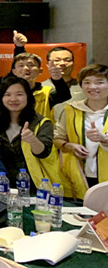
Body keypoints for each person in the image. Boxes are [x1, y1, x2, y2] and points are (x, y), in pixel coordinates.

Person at [0, 77, 57, 192]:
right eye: (7, 94)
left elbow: (43, 152)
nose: (13, 99)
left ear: (28, 97)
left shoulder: (42, 123)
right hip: (3, 187)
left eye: (19, 94)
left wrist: (32, 140)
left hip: (36, 187)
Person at [54, 64, 108, 199]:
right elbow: (57, 138)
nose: (92, 87)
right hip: (77, 175)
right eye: (87, 82)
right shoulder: (71, 110)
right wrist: (69, 146)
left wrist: (104, 140)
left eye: (99, 82)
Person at [10, 52, 71, 119]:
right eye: (21, 65)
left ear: (40, 71)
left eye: (31, 65)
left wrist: (58, 80)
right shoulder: (6, 93)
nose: (26, 68)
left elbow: (65, 95)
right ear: (14, 71)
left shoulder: (46, 93)